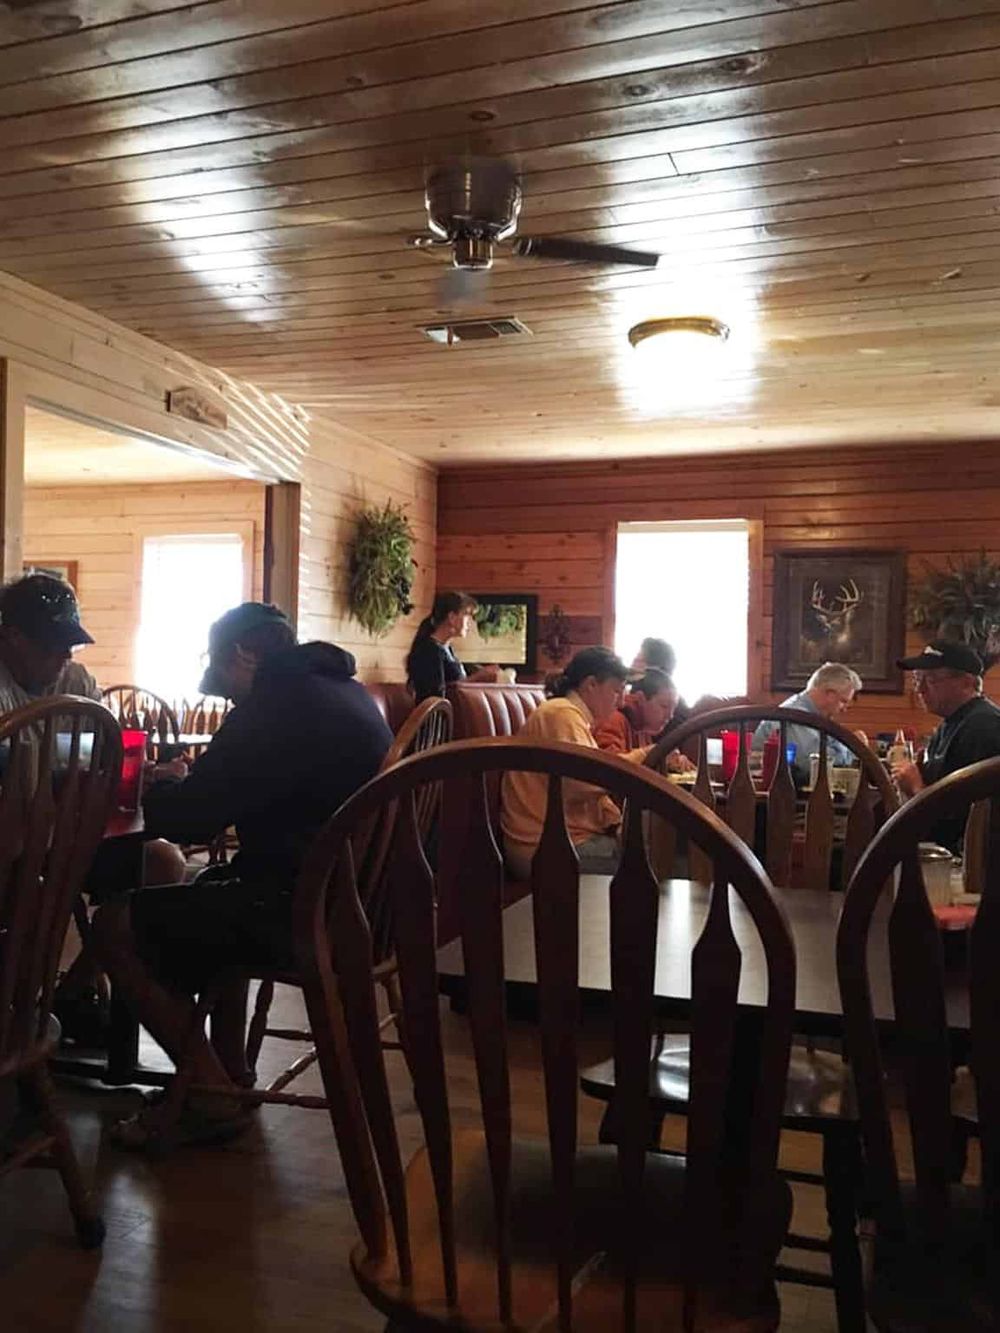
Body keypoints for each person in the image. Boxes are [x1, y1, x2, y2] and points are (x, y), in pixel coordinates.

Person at [93, 602, 393, 1148]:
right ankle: (230, 1074)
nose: (229, 701)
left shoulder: (276, 705)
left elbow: (192, 819)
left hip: (302, 912)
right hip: (363, 906)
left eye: (226, 687)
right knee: (214, 888)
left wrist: (153, 788)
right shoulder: (344, 691)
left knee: (115, 924)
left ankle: (209, 1092)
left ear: (240, 655)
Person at [501, 646, 648, 879]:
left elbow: (590, 784)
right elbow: (586, 780)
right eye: (616, 691)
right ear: (591, 685)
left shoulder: (570, 716)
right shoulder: (561, 714)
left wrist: (615, 823)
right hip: (542, 848)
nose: (620, 702)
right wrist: (645, 756)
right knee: (655, 861)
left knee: (655, 852)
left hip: (561, 839)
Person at [893, 640, 1000, 849]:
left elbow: (967, 822)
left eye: (931, 679)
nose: (920, 689)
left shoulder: (984, 727)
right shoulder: (953, 722)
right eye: (917, 679)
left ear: (967, 683)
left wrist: (915, 787)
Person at [0, 572, 100, 709]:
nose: (68, 655)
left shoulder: (78, 683)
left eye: (69, 644)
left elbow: (105, 729)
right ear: (15, 637)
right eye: (55, 643)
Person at [752, 661, 862, 786]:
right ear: (830, 694)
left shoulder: (815, 717)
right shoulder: (795, 716)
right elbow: (813, 766)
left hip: (787, 790)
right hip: (773, 797)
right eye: (843, 701)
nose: (844, 709)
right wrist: (854, 748)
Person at [594, 667, 694, 773]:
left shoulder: (643, 727)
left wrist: (670, 762)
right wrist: (651, 753)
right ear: (640, 699)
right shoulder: (614, 719)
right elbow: (607, 766)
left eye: (673, 709)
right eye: (664, 706)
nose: (670, 716)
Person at [406, 591, 498, 702]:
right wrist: (477, 678)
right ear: (452, 618)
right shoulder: (429, 650)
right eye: (467, 616)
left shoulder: (447, 649)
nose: (470, 624)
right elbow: (436, 696)